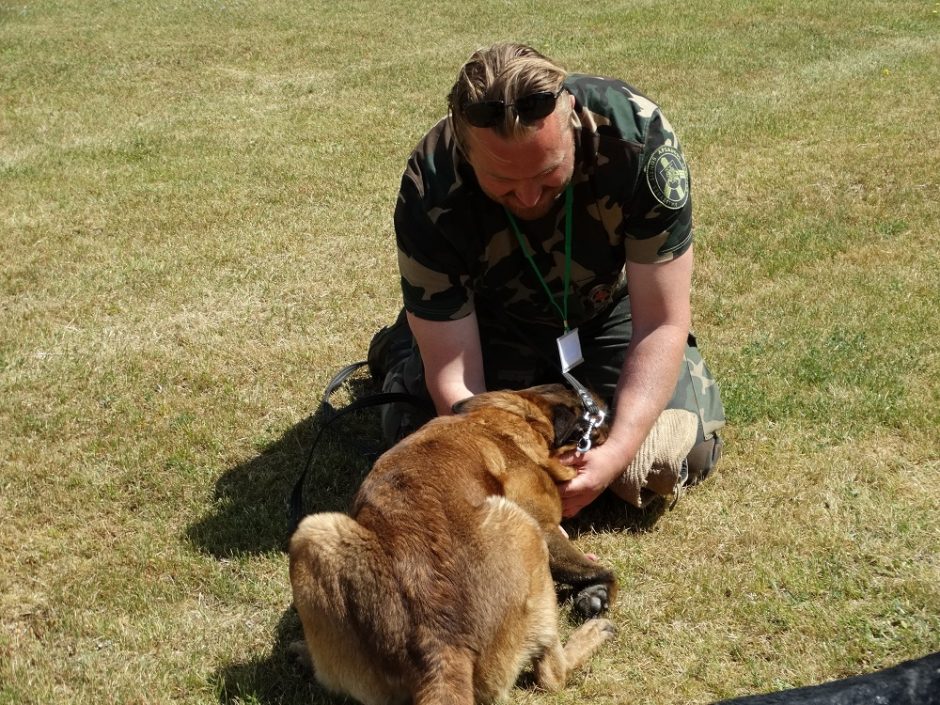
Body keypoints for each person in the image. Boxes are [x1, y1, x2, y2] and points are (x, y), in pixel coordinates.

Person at [369, 42, 725, 518]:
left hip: (601, 313)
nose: (530, 196)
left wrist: (615, 453)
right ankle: (402, 346)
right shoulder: (430, 184)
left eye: (548, 171)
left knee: (668, 458)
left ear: (571, 117)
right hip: (488, 324)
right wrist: (511, 470)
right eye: (503, 182)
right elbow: (458, 379)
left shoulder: (638, 141)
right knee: (421, 442)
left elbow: (660, 322)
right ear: (464, 147)